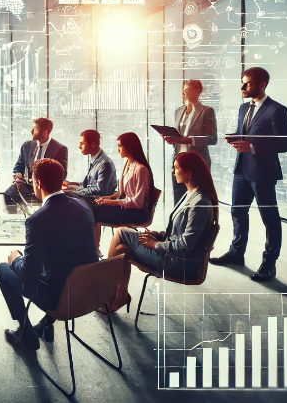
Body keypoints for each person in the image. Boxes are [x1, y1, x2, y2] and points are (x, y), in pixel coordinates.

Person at [0, 159, 97, 351]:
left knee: (2, 269)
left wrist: (15, 259)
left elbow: (28, 274)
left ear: (38, 183)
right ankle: (43, 325)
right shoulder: (83, 206)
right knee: (56, 265)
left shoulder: (38, 219)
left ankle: (25, 334)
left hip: (58, 297)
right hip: (89, 290)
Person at [102, 151, 219, 315]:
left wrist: (155, 244)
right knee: (121, 250)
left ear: (189, 173)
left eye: (176, 168)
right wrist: (159, 235)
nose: (173, 171)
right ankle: (119, 295)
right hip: (172, 255)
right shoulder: (191, 194)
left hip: (176, 262)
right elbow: (179, 232)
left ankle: (103, 293)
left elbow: (185, 245)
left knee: (121, 231)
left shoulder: (199, 203)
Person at [211, 67, 287, 282]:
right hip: (242, 169)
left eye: (246, 83)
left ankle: (269, 265)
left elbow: (286, 143)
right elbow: (247, 135)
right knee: (237, 212)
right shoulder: (242, 108)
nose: (242, 87)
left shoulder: (277, 110)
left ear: (262, 85)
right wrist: (237, 139)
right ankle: (237, 254)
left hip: (263, 173)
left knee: (270, 219)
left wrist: (253, 146)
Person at [92, 132, 158, 255]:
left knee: (93, 212)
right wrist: (108, 198)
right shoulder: (127, 163)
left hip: (137, 213)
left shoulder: (141, 169)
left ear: (129, 147)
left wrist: (110, 202)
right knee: (91, 206)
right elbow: (122, 193)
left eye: (120, 146)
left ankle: (94, 249)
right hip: (126, 209)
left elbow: (137, 203)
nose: (118, 149)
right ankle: (94, 248)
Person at [164, 79, 217, 204]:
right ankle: (179, 224)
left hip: (196, 162)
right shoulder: (178, 111)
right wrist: (172, 139)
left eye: (188, 90)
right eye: (184, 90)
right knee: (178, 199)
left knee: (198, 199)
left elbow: (212, 139)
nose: (185, 93)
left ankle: (195, 223)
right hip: (178, 160)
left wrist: (188, 140)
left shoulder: (207, 111)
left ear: (199, 91)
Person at [5, 117, 69, 205]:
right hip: (28, 185)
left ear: (46, 132)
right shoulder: (26, 146)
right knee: (8, 193)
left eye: (35, 129)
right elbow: (18, 167)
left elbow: (62, 174)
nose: (31, 131)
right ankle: (14, 217)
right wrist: (17, 175)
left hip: (47, 188)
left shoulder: (59, 149)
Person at [63, 129, 117, 200]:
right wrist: (70, 185)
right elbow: (89, 184)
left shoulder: (105, 164)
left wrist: (72, 193)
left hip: (100, 207)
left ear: (93, 144)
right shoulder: (95, 159)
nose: (79, 146)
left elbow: (100, 191)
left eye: (82, 143)